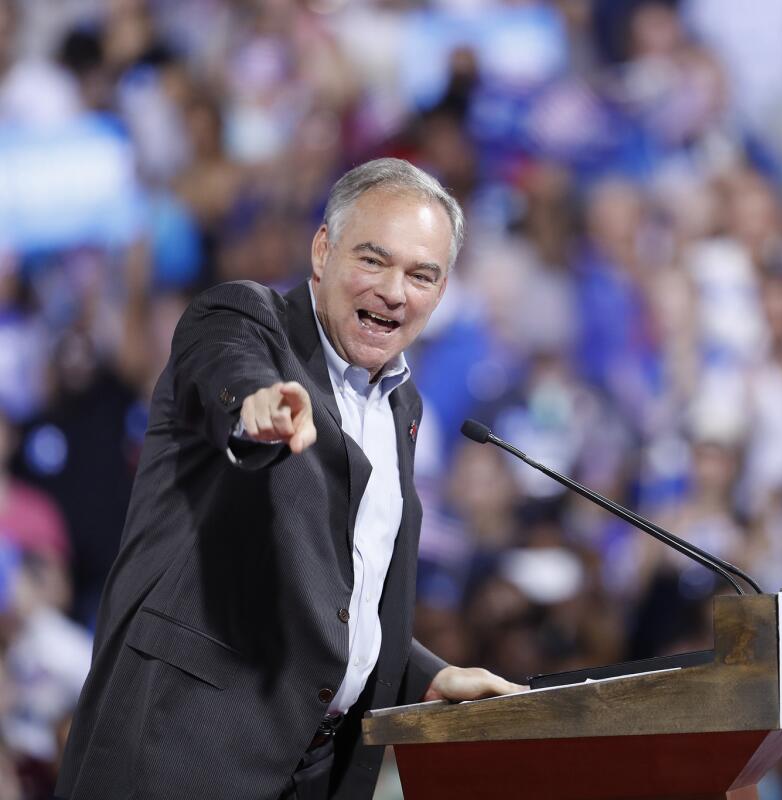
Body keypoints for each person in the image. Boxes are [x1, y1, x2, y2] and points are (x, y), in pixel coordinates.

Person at [56, 158, 524, 800]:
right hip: (181, 756)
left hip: (312, 775)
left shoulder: (401, 408)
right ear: (323, 250)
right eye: (373, 260)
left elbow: (336, 602)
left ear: (441, 293)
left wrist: (426, 677)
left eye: (422, 275)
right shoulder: (245, 319)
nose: (395, 291)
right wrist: (256, 405)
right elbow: (228, 364)